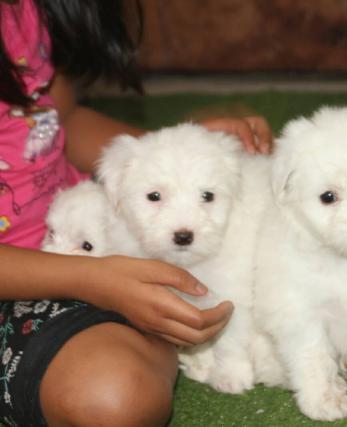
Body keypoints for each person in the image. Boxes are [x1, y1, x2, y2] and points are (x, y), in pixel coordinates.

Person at [0, 1, 273, 426]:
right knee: (115, 399)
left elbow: (60, 119)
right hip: (19, 282)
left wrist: (170, 157)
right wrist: (94, 280)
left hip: (84, 234)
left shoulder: (25, 11)